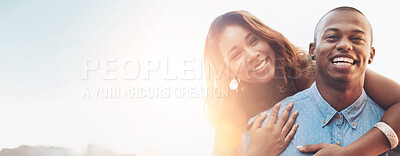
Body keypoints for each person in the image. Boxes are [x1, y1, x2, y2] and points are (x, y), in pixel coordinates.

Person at [203, 9, 400, 156]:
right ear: (226, 70)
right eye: (236, 54)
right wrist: (256, 152)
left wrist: (350, 153)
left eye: (254, 41)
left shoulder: (309, 67)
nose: (252, 55)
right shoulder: (232, 114)